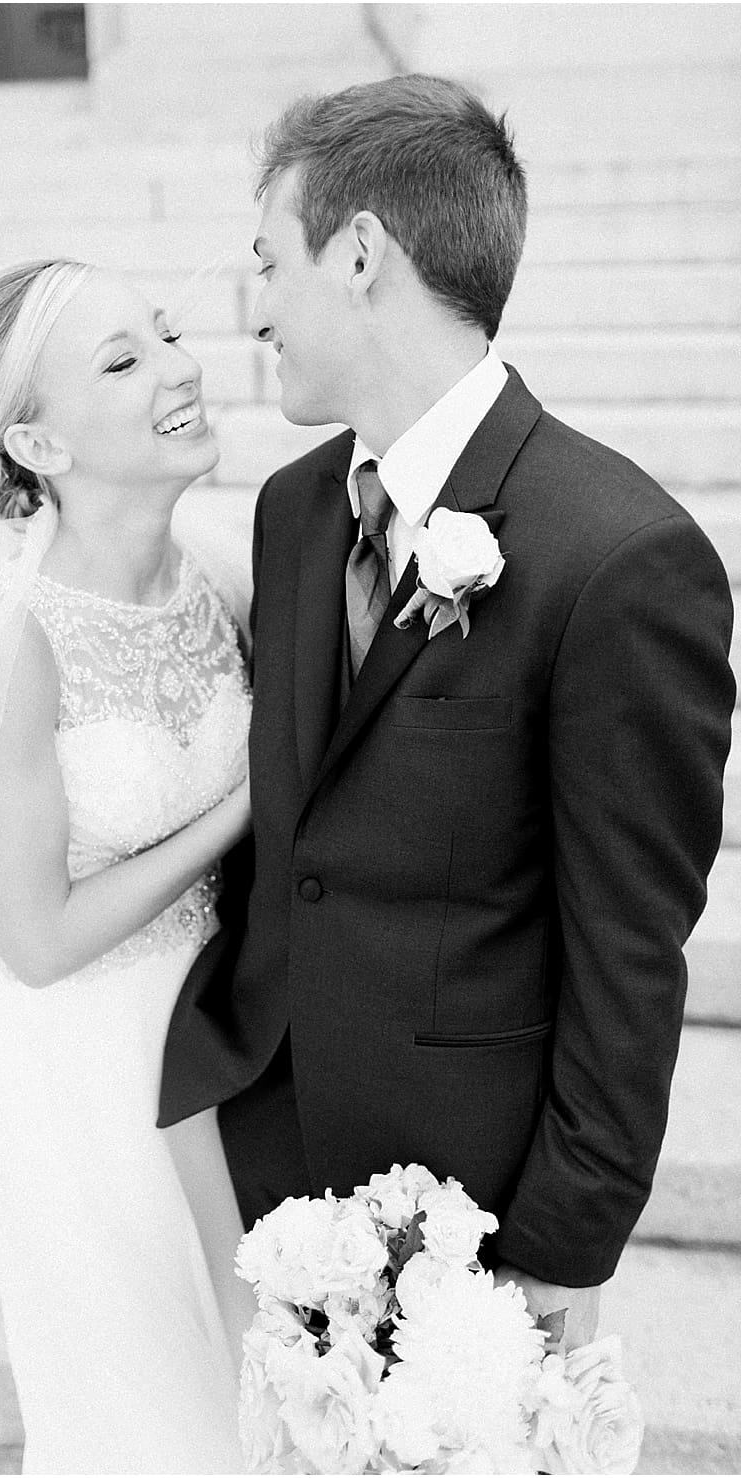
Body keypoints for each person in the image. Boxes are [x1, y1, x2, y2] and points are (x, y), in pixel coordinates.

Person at [159, 74, 735, 1354]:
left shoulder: (621, 556)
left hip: (476, 1218)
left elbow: (630, 954)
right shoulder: (296, 511)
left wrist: (559, 1248)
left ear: (359, 253)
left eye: (269, 262)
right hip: (276, 1164)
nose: (254, 313)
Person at [0, 258, 257, 1473]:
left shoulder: (222, 568)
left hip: (235, 1037)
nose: (181, 368)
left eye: (167, 333)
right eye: (124, 361)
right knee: (156, 1409)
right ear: (38, 440)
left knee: (261, 1385)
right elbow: (35, 936)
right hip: (89, 1069)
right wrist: (240, 809)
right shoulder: (5, 631)